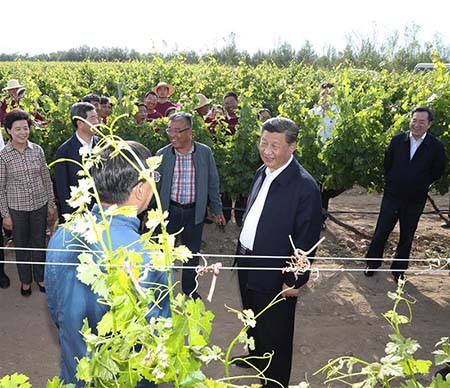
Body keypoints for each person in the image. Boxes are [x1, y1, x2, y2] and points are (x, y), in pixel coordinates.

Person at [46, 141, 170, 387]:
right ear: (140, 190)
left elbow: (55, 306)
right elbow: (157, 332)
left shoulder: (62, 234)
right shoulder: (147, 255)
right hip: (127, 378)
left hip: (76, 369)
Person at [235, 117, 322, 387]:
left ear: (292, 147)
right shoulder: (263, 171)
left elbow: (306, 240)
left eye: (275, 145)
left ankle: (274, 381)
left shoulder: (304, 186)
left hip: (275, 272)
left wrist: (294, 280)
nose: (267, 150)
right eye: (263, 142)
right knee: (252, 316)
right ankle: (256, 358)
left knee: (276, 330)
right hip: (248, 260)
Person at [365, 106, 446, 282]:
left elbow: (438, 171)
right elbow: (388, 164)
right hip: (392, 195)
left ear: (429, 124)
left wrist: (419, 183)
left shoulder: (436, 147)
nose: (417, 125)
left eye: (421, 122)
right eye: (414, 120)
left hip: (415, 199)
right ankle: (372, 263)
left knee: (407, 235)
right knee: (381, 231)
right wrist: (396, 180)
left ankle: (399, 270)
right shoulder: (397, 141)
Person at [156, 112, 225, 298]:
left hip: (195, 211)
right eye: (170, 130)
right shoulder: (162, 154)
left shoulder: (204, 153)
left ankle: (189, 289)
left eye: (178, 131)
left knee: (191, 253)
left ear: (190, 132)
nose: (173, 135)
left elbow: (213, 182)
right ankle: (163, 289)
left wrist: (217, 210)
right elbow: (156, 185)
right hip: (169, 211)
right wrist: (152, 211)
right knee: (164, 251)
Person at [0, 109, 56, 296]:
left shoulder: (37, 150)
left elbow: (46, 179)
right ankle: (25, 281)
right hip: (17, 209)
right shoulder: (4, 156)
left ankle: (40, 278)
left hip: (39, 205)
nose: (23, 132)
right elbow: (0, 187)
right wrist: (5, 214)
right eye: (18, 129)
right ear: (9, 130)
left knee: (39, 243)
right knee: (22, 246)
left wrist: (50, 205)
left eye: (25, 128)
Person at [54, 102, 99, 222]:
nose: (97, 122)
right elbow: (63, 191)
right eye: (93, 118)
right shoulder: (65, 151)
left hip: (102, 212)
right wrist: (70, 219)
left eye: (97, 117)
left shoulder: (103, 145)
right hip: (79, 214)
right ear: (80, 123)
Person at [311, 82, 345, 229]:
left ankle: (321, 217)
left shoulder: (339, 115)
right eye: (324, 94)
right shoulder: (313, 113)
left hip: (332, 158)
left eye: (330, 94)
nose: (326, 97)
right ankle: (318, 220)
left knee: (327, 191)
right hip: (315, 157)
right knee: (316, 190)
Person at [220, 92, 245, 226]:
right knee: (226, 191)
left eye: (231, 102)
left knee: (242, 190)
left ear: (237, 102)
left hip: (242, 160)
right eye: (227, 103)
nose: (229, 105)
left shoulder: (245, 120)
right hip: (227, 161)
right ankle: (226, 217)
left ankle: (240, 218)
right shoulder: (221, 122)